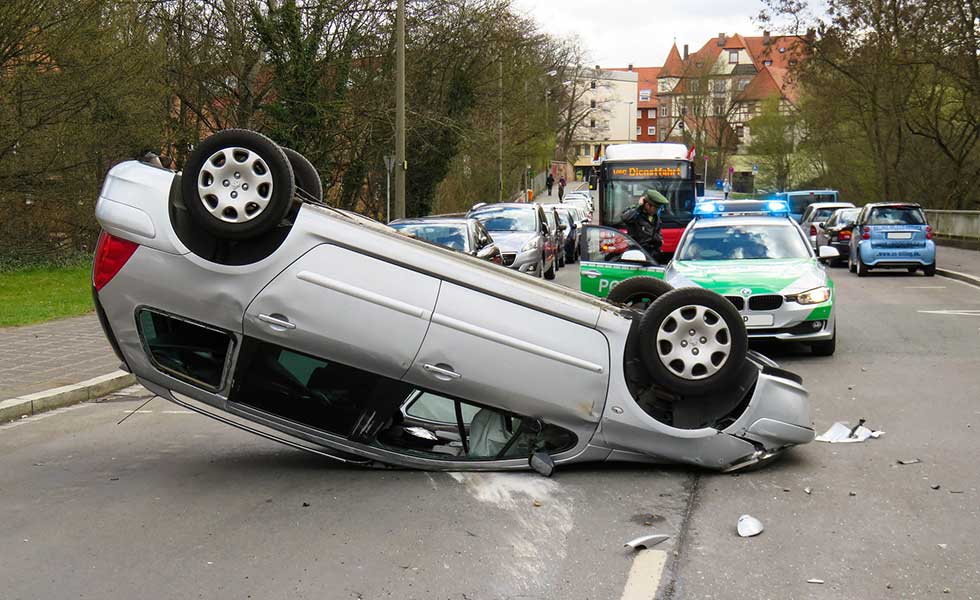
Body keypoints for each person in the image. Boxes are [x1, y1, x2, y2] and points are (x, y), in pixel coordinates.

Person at [620, 189, 670, 257]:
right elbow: (625, 218)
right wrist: (639, 206)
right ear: (647, 205)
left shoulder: (656, 217)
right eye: (656, 208)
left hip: (653, 254)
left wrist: (660, 240)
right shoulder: (636, 215)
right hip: (637, 254)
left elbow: (657, 232)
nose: (657, 211)